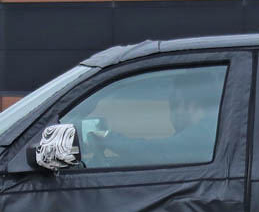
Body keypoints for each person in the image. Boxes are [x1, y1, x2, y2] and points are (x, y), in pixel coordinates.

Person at [84, 69, 221, 166]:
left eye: (174, 104)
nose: (170, 112)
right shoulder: (214, 130)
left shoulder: (203, 136)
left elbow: (155, 152)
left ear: (193, 106)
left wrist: (106, 138)